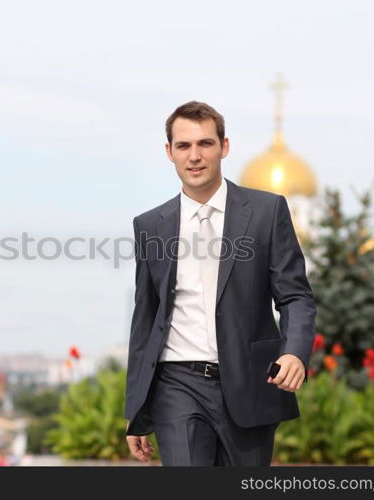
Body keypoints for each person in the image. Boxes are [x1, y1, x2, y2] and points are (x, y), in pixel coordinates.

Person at [124, 101, 316, 466]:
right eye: (183, 146)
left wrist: (294, 352)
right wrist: (135, 410)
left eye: (205, 144)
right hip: (176, 384)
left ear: (223, 147)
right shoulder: (150, 226)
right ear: (169, 153)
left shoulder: (266, 211)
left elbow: (295, 296)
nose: (194, 156)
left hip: (251, 381)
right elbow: (145, 319)